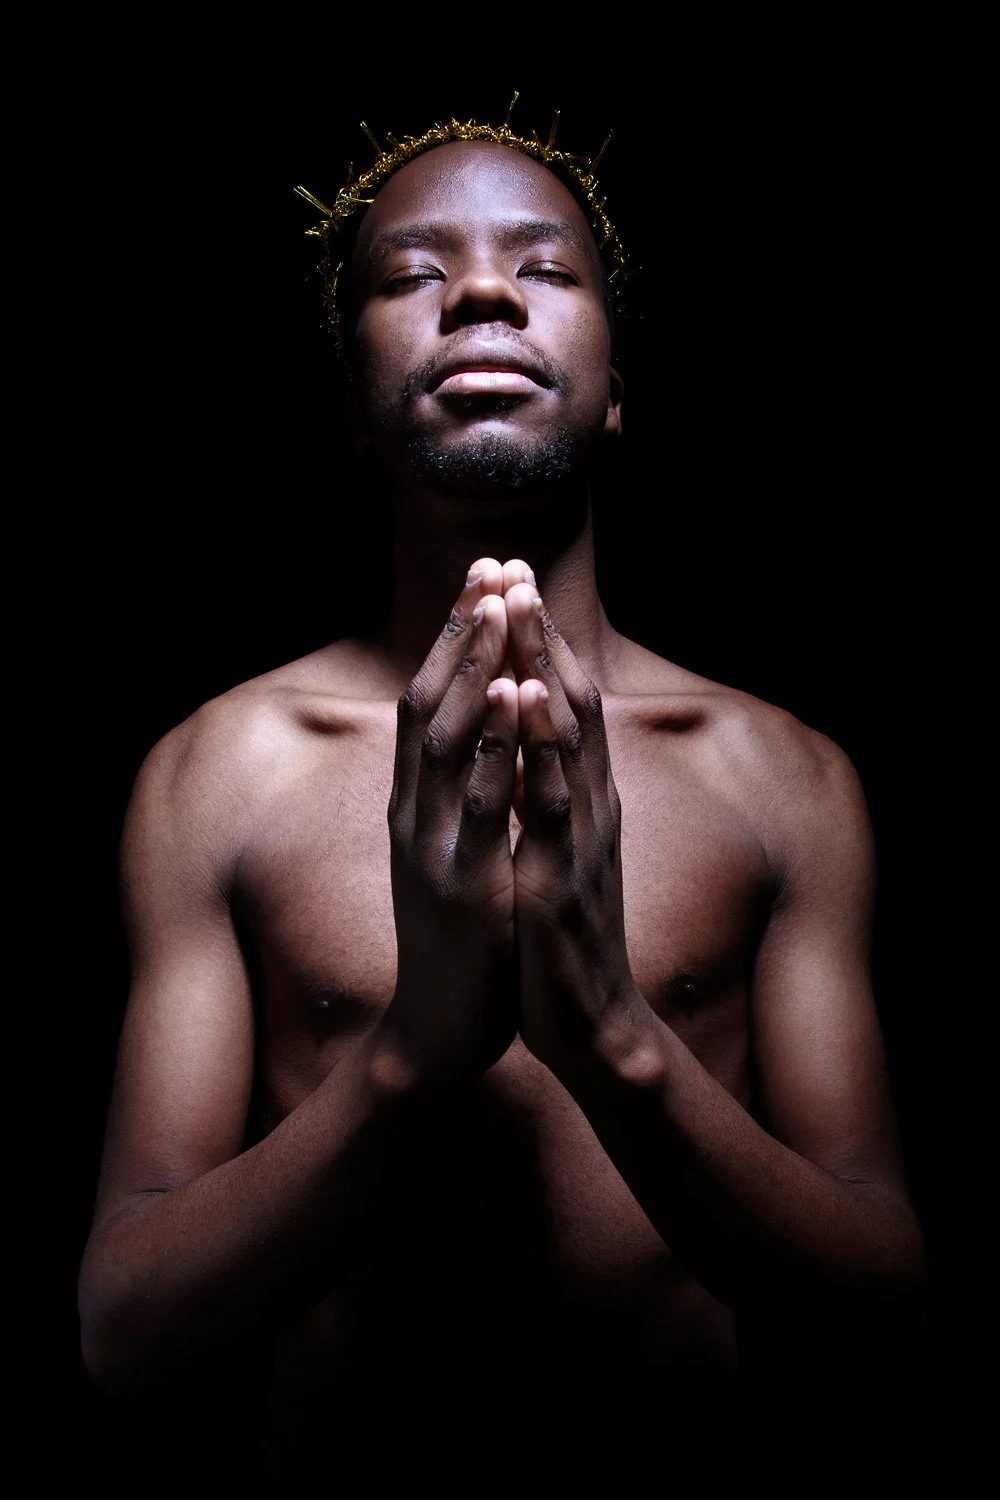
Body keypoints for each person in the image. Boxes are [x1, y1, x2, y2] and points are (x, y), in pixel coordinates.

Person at [79, 114, 926, 1496]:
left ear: (614, 388)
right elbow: (126, 1329)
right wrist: (415, 1048)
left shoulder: (782, 778)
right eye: (413, 271)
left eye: (545, 264)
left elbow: (884, 1308)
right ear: (350, 399)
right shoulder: (220, 772)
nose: (482, 292)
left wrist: (611, 1039)